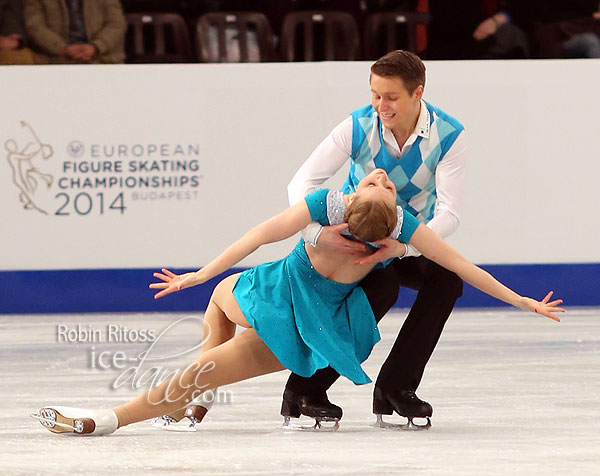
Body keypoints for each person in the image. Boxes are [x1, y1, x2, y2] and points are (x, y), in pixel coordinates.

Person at [31, 169, 563, 436]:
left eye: (377, 185)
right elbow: (464, 268)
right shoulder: (399, 229)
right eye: (379, 180)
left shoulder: (329, 206)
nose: (379, 176)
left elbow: (257, 236)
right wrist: (522, 301)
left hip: (278, 301)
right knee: (206, 347)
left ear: (353, 205)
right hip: (302, 318)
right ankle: (147, 410)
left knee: (205, 346)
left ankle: (109, 419)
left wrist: (201, 273)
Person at [260, 49, 467, 430]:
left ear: (417, 93)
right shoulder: (356, 127)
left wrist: (407, 246)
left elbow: (449, 214)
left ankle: (396, 387)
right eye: (375, 94)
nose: (380, 105)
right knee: (381, 288)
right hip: (359, 238)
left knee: (446, 281)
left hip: (408, 239)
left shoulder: (449, 135)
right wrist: (317, 232)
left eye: (391, 97)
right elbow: (301, 183)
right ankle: (304, 390)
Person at [23, 0, 126, 64]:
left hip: (103, 59)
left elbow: (116, 23)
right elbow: (35, 27)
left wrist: (96, 47)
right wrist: (62, 49)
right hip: (55, 61)